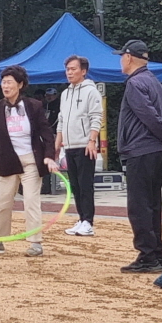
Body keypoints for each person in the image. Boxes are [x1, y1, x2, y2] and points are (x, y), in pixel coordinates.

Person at [0, 65, 59, 257]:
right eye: (3, 82)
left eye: (9, 82)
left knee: (31, 201)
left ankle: (35, 243)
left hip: (31, 161)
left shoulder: (34, 106)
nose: (5, 86)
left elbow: (47, 133)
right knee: (2, 202)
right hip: (7, 162)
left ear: (20, 84)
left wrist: (49, 156)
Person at [116, 40, 162, 273]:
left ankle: (147, 255)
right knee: (153, 203)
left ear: (129, 57)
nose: (120, 61)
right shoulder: (154, 81)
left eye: (121, 56)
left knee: (139, 205)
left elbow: (149, 115)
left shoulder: (135, 83)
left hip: (141, 149)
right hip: (156, 152)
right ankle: (157, 254)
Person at [57, 55, 105, 236]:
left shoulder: (91, 91)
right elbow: (61, 119)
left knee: (86, 184)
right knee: (75, 185)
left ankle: (88, 221)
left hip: (85, 144)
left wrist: (92, 140)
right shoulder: (65, 93)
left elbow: (96, 117)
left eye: (73, 69)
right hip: (69, 145)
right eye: (68, 69)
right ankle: (81, 218)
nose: (69, 72)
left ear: (83, 71)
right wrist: (57, 143)